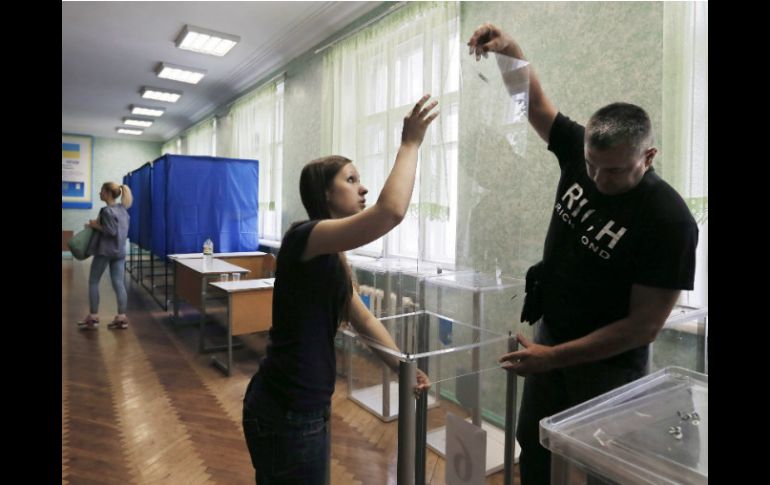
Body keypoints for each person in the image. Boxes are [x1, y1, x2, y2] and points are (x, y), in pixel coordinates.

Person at [468, 24, 698, 485]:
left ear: (648, 156)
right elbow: (533, 105)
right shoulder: (581, 152)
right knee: (532, 445)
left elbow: (642, 327)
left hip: (609, 366)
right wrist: (509, 49)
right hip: (551, 336)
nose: (597, 179)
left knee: (602, 466)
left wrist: (555, 357)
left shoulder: (669, 221)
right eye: (591, 165)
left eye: (614, 171)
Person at [242, 94, 438, 484]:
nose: (362, 188)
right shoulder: (304, 236)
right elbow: (390, 212)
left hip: (303, 408)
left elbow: (359, 315)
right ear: (326, 194)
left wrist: (401, 366)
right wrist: (410, 142)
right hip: (287, 411)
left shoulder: (332, 253)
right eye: (351, 180)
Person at [77, 182, 133, 331]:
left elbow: (111, 231)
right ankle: (121, 319)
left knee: (93, 282)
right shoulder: (122, 209)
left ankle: (93, 318)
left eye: (101, 191)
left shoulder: (106, 211)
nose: (99, 193)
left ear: (108, 193)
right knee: (118, 284)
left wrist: (94, 226)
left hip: (105, 252)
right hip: (119, 252)